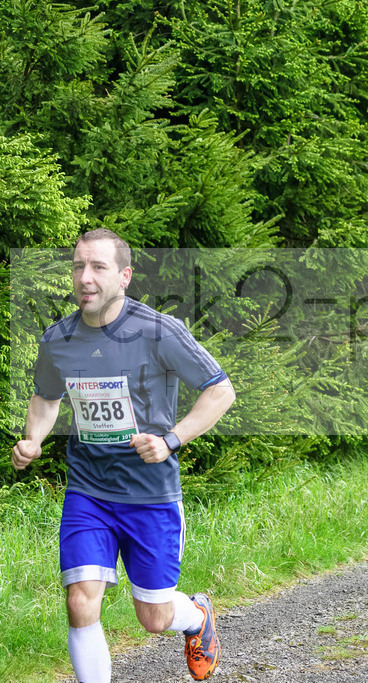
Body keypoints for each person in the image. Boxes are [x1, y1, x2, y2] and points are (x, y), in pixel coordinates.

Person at [11, 229, 236, 682]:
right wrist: (33, 438)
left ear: (124, 276)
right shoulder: (58, 339)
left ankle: (196, 615)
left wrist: (171, 439)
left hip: (149, 493)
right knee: (80, 599)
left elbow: (220, 390)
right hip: (88, 491)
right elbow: (46, 397)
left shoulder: (157, 331)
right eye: (78, 266)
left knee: (152, 617)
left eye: (98, 267)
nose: (85, 277)